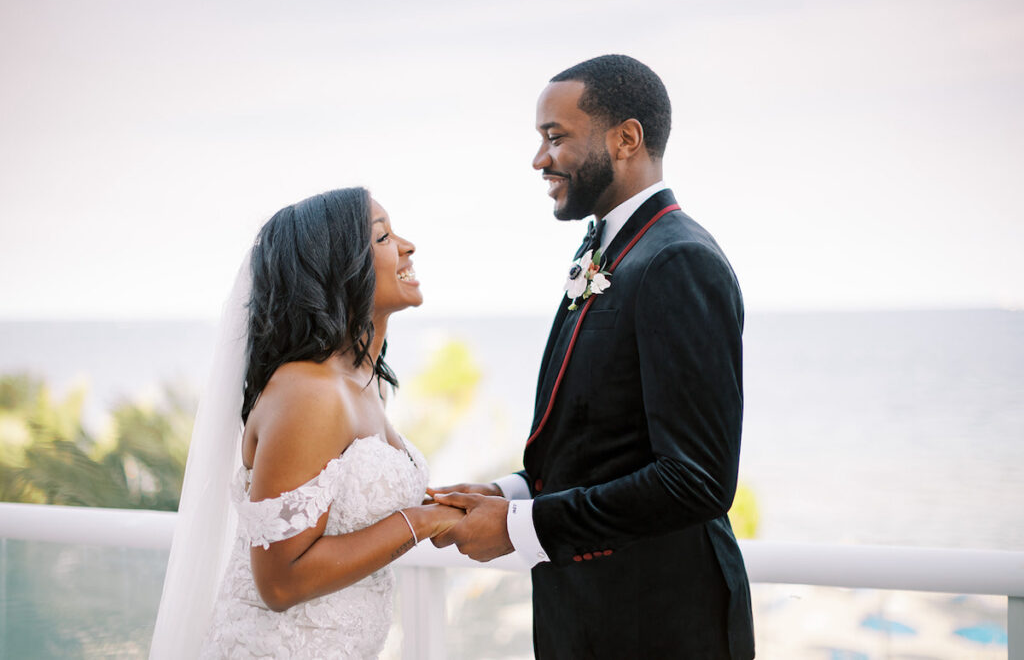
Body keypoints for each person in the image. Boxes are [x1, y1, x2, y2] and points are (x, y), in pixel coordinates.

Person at [430, 55, 755, 658]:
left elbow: (697, 481)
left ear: (625, 138)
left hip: (658, 627)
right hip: (586, 619)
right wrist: (513, 493)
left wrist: (518, 529)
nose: (539, 160)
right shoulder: (612, 248)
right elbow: (603, 444)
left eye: (556, 137)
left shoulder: (677, 260)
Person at [150, 188, 464, 659]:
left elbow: (346, 511)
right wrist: (422, 521)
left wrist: (463, 501)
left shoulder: (364, 383)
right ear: (337, 268)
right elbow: (280, 581)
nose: (407, 246)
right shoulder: (309, 392)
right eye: (382, 237)